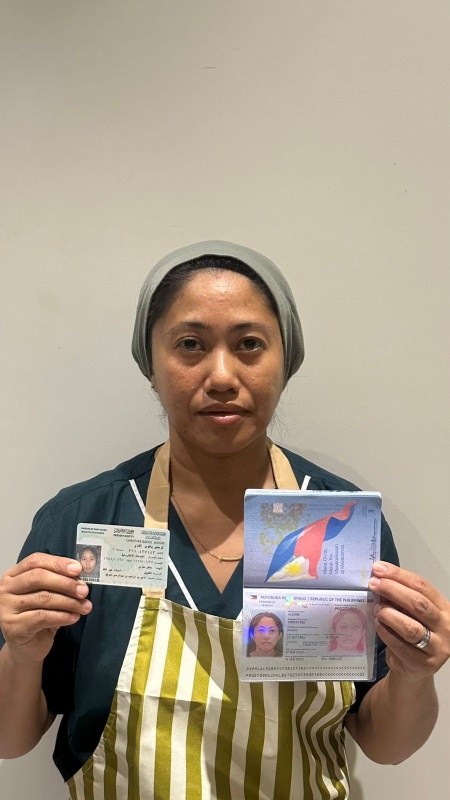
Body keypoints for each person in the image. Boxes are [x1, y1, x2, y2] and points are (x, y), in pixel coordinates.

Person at [0, 240, 449, 800]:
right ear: (150, 364)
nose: (221, 375)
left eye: (249, 345)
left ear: (286, 360)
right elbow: (11, 740)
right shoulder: (83, 521)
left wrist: (414, 675)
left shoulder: (340, 525)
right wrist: (22, 655)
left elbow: (385, 745)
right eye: (190, 344)